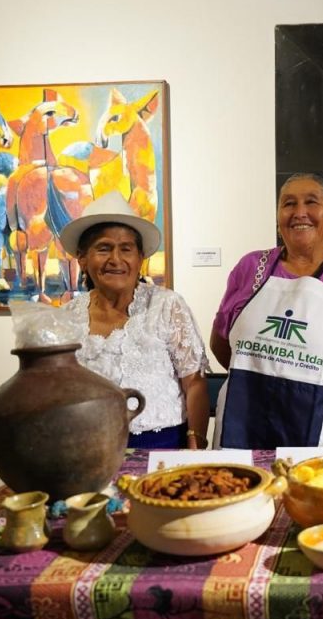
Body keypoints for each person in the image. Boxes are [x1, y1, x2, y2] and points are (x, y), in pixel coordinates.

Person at [209, 173, 323, 448]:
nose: (299, 213)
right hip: (245, 420)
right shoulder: (250, 267)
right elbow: (221, 342)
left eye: (311, 202)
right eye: (288, 204)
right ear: (277, 216)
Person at [58, 192, 210, 449]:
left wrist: (195, 443)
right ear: (82, 258)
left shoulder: (166, 305)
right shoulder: (68, 316)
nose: (115, 259)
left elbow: (194, 382)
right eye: (103, 248)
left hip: (163, 446)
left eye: (126, 249)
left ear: (140, 259)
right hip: (87, 448)